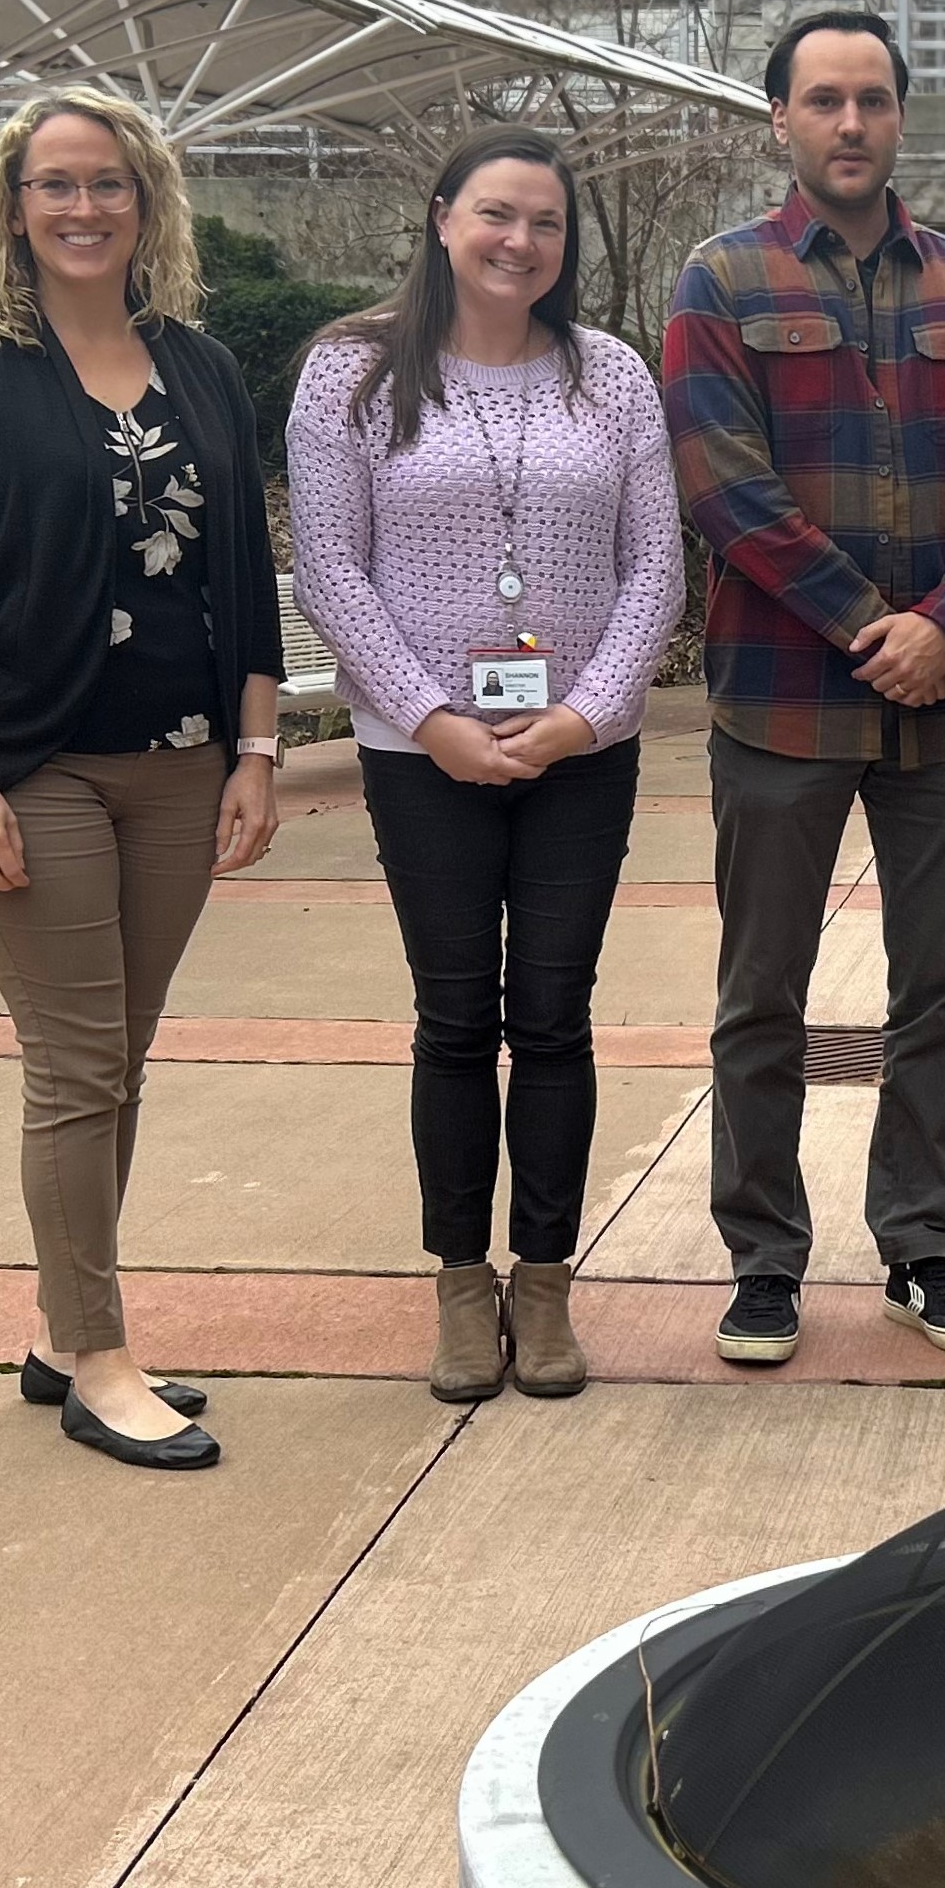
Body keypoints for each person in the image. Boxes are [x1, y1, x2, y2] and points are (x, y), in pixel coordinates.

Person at [0, 87, 285, 1471]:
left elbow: (243, 568)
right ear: (11, 203)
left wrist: (259, 746)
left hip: (178, 766)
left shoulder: (202, 367)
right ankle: (99, 1354)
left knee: (122, 1064)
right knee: (75, 1064)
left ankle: (64, 1328)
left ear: (146, 197)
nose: (83, 207)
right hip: (25, 763)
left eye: (107, 182)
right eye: (54, 184)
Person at [661, 10, 945, 1366]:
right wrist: (868, 623)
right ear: (779, 119)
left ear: (900, 118)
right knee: (761, 990)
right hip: (781, 700)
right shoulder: (719, 282)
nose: (848, 123)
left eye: (872, 99)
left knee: (941, 987)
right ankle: (764, 1260)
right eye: (821, 100)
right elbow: (722, 486)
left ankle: (920, 1247)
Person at [288, 133, 680, 1408]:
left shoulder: (609, 375)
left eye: (547, 223)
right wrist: (427, 713)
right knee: (456, 1019)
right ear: (442, 217)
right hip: (423, 755)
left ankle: (546, 1279)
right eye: (496, 214)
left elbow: (654, 569)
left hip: (579, 753)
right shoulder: (352, 372)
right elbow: (329, 567)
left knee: (554, 1018)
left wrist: (588, 711)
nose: (520, 242)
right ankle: (462, 1281)